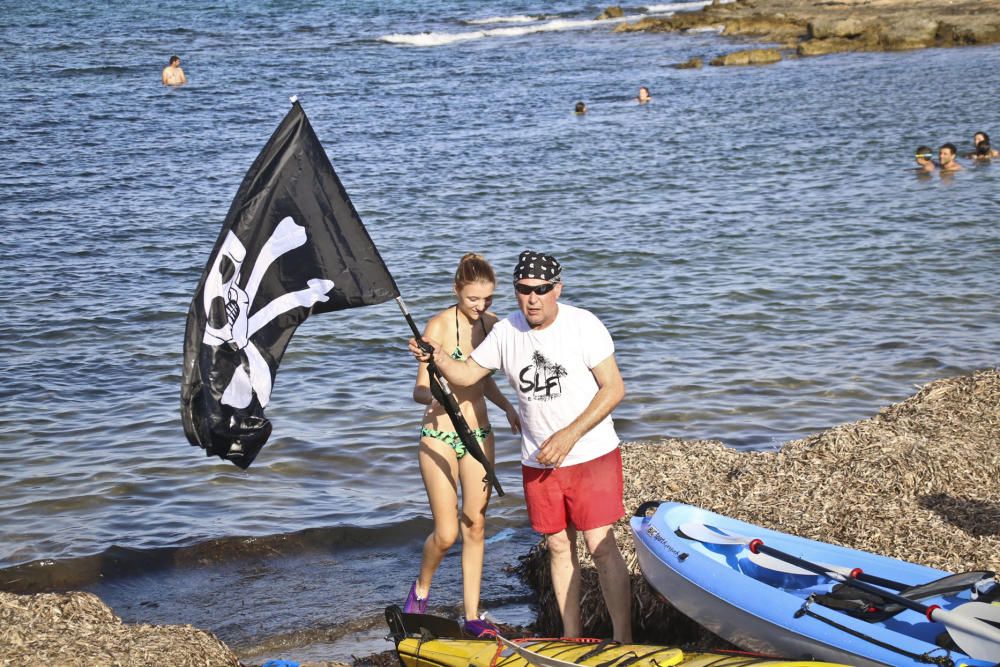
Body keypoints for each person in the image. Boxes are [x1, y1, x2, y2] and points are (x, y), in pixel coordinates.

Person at [409, 251, 633, 643]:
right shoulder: (506, 332)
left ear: (557, 289)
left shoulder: (584, 325)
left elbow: (614, 388)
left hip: (590, 453)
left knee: (600, 545)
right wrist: (438, 357)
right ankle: (570, 638)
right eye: (523, 290)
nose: (532, 298)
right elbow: (467, 374)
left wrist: (569, 435)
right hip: (538, 461)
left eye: (541, 290)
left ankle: (623, 640)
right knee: (558, 547)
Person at [405, 253, 520, 638]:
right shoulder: (437, 325)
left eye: (487, 299)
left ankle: (472, 615)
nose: (481, 306)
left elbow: (481, 379)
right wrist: (434, 397)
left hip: (480, 436)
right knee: (447, 532)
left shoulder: (492, 325)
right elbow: (420, 388)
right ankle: (421, 589)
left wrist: (507, 408)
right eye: (474, 299)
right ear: (458, 290)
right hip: (439, 435)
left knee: (476, 524)